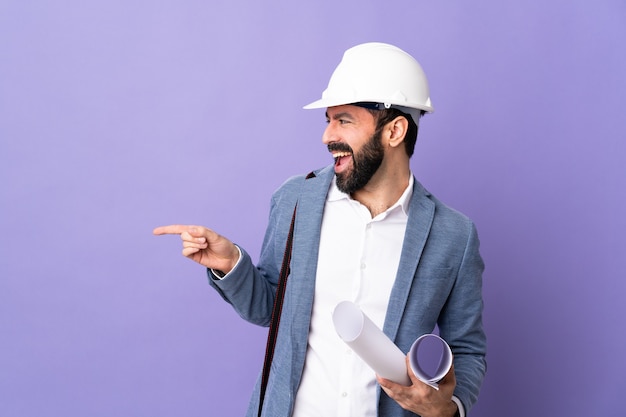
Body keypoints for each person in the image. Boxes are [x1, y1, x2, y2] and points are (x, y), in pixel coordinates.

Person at [154, 42, 486, 417]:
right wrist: (231, 264)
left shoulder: (454, 235)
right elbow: (270, 309)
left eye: (343, 120)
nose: (327, 136)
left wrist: (448, 408)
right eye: (328, 120)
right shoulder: (296, 200)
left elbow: (468, 348)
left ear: (394, 131)